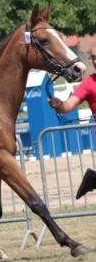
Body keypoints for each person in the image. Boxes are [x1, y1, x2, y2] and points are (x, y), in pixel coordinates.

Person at [48, 42, 96, 199]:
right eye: (93, 58)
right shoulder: (89, 83)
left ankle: (93, 180)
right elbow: (68, 106)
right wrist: (59, 105)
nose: (95, 62)